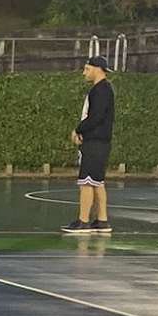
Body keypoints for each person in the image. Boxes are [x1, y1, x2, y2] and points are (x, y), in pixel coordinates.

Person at [64, 56, 115, 235]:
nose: (84, 73)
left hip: (95, 142)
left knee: (86, 181)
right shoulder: (104, 89)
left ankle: (83, 221)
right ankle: (102, 221)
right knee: (97, 182)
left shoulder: (100, 90)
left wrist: (78, 130)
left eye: (87, 69)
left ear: (97, 69)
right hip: (100, 141)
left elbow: (95, 117)